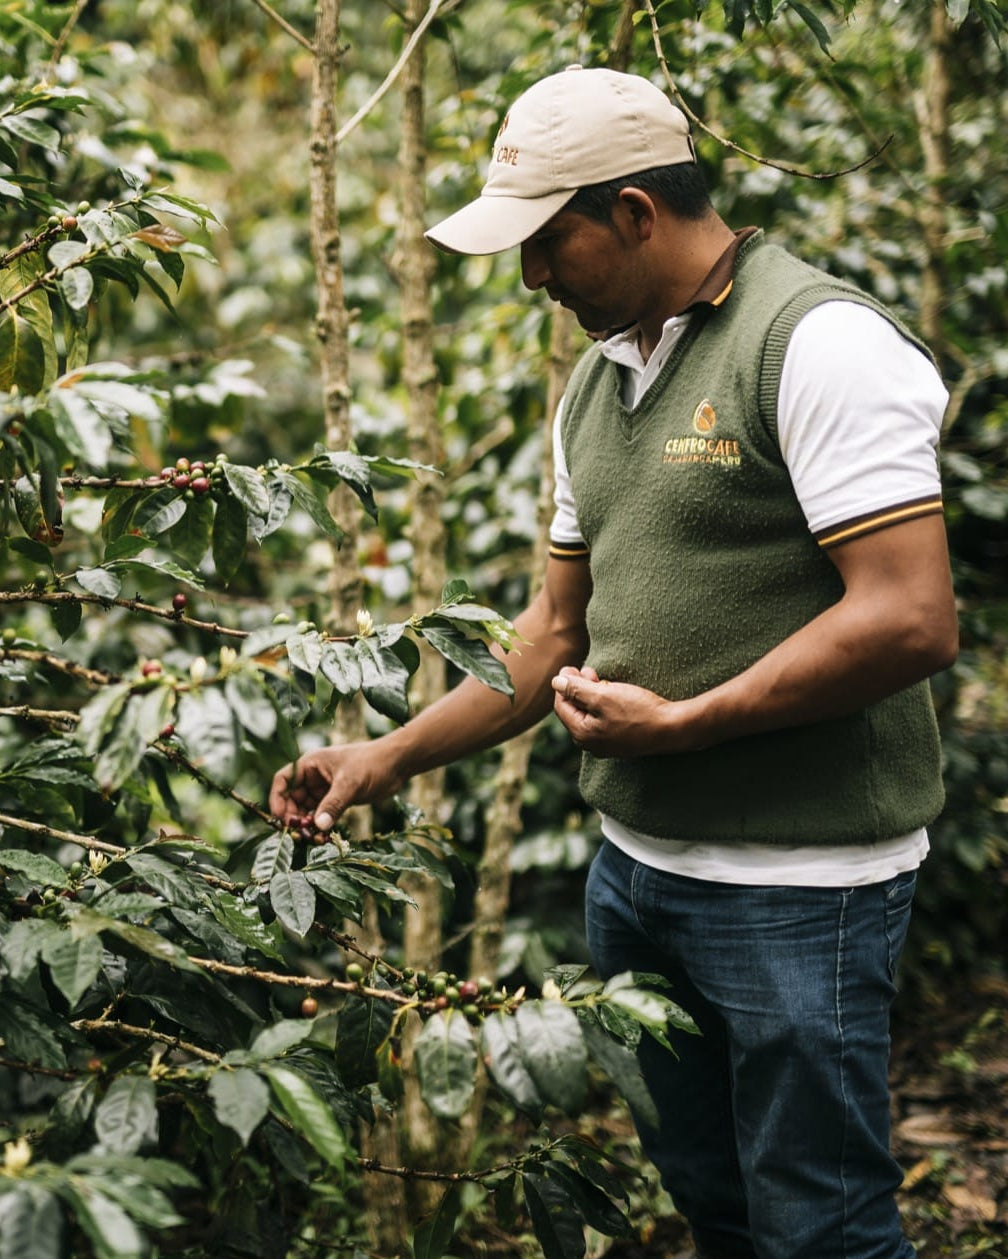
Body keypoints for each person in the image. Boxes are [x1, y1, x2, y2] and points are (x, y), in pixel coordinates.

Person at [270, 66, 958, 1259]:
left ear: (637, 211)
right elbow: (551, 635)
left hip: (803, 890)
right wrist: (380, 757)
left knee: (823, 1224)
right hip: (637, 881)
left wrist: (685, 725)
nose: (533, 277)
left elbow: (908, 618)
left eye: (548, 243)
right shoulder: (597, 383)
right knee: (715, 1202)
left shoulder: (817, 344)